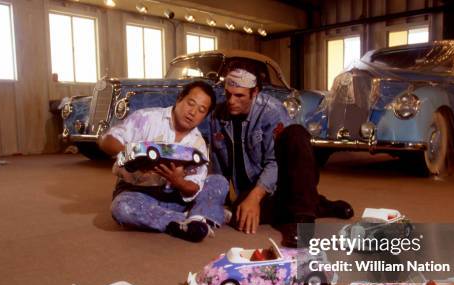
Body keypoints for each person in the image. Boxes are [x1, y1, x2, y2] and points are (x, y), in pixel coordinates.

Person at [209, 67, 353, 247]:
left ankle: (303, 221)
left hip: (283, 181)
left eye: (239, 96)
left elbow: (274, 162)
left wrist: (255, 197)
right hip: (254, 189)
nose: (231, 101)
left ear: (255, 92)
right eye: (228, 94)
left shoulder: (272, 110)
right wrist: (215, 202)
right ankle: (316, 203)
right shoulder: (217, 115)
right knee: (239, 215)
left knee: (296, 133)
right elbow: (217, 165)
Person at [99, 81, 229, 242]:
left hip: (176, 198)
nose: (193, 112)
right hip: (139, 194)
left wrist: (178, 181)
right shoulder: (146, 118)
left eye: (201, 110)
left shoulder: (198, 144)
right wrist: (132, 155)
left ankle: (192, 218)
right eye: (191, 103)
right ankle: (197, 217)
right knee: (122, 208)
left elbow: (193, 187)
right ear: (179, 98)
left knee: (219, 182)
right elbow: (107, 140)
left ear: (205, 115)